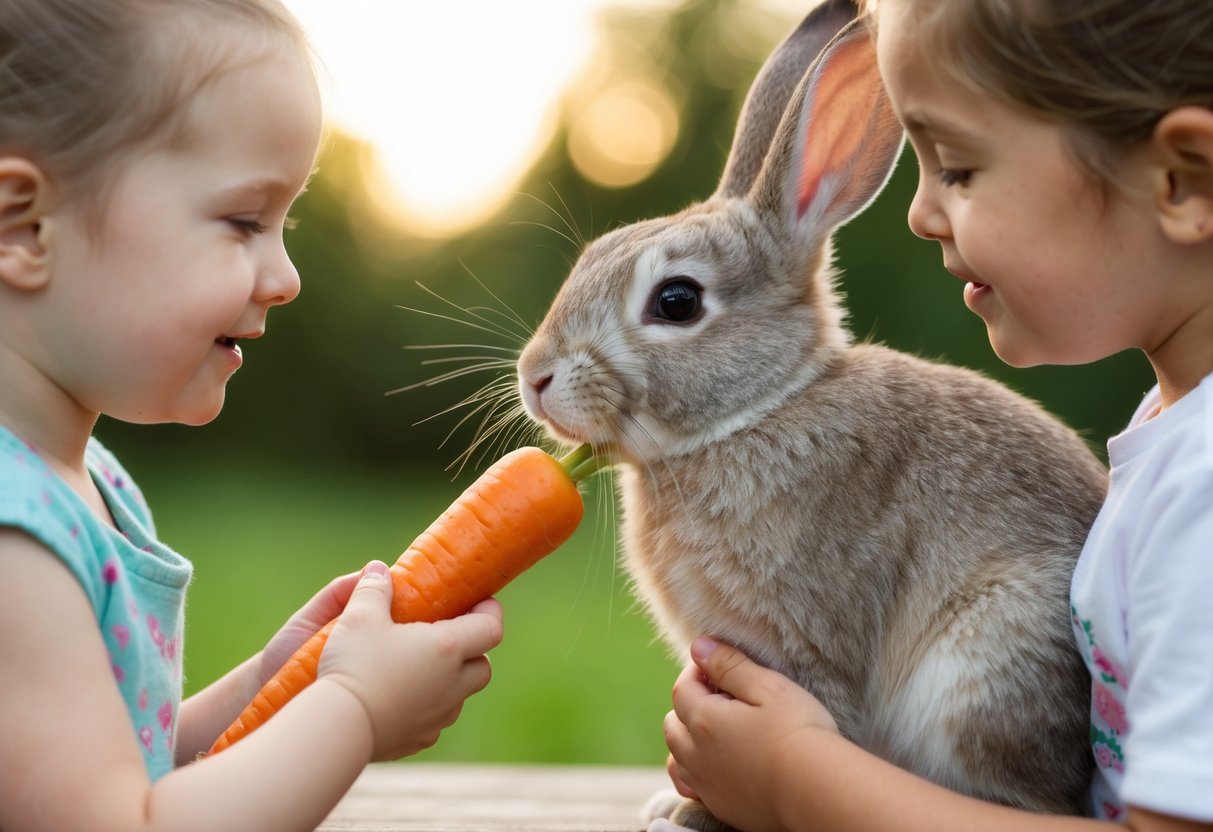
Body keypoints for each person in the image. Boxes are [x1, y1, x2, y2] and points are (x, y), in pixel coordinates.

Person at [655, 1, 1213, 830]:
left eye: (955, 166)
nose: (918, 212)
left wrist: (797, 780)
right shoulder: (1173, 434)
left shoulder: (1203, 493)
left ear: (1181, 180)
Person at [0, 1, 504, 829]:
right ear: (25, 225)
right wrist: (352, 708)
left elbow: (129, 765)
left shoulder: (82, 480)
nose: (286, 275)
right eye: (244, 221)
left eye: (285, 223)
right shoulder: (13, 539)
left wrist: (281, 678)